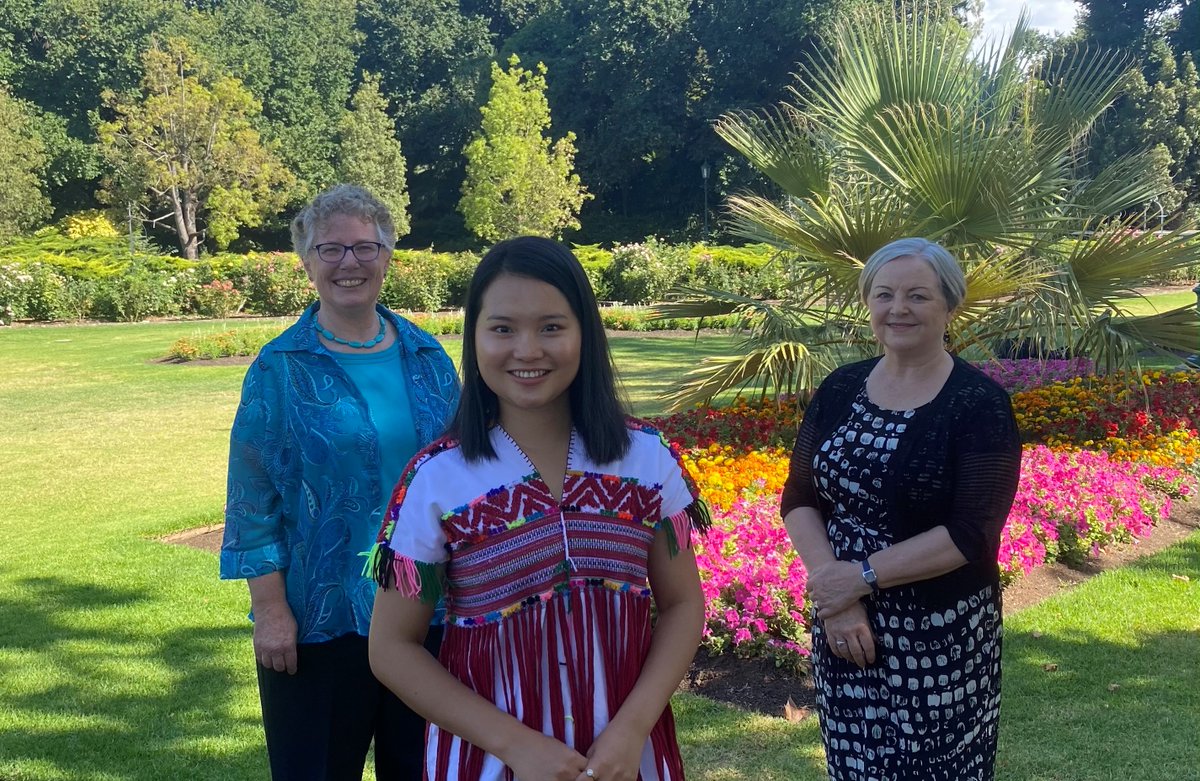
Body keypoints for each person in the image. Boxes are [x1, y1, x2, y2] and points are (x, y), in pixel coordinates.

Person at [366, 236, 708, 781]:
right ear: (474, 339)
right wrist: (515, 746)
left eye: (552, 326)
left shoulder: (647, 458)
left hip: (628, 759)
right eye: (502, 328)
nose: (527, 350)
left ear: (585, 334)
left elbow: (683, 605)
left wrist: (632, 727)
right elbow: (391, 648)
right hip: (489, 763)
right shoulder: (435, 479)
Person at [220, 184, 460, 780]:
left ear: (387, 256)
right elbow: (253, 502)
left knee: (426, 768)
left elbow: (464, 473)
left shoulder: (428, 357)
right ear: (307, 262)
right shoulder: (279, 369)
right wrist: (270, 611)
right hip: (320, 619)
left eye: (364, 248)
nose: (348, 263)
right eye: (330, 249)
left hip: (424, 612)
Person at [779, 237, 1022, 781]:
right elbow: (799, 498)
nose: (898, 309)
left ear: (949, 306)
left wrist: (859, 579)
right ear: (868, 303)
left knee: (936, 768)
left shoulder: (978, 403)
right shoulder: (841, 387)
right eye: (884, 295)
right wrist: (835, 593)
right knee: (855, 763)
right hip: (845, 624)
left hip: (940, 635)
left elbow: (971, 532)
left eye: (918, 295)